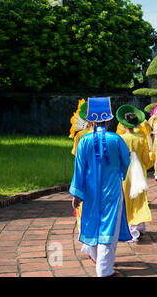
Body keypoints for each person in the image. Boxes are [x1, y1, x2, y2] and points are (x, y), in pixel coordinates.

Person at [69, 97, 132, 277]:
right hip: (112, 188)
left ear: (90, 120)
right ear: (109, 119)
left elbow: (79, 169)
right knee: (109, 225)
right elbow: (125, 161)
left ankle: (93, 253)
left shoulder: (84, 141)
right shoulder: (116, 139)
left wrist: (76, 193)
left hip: (90, 189)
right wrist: (119, 172)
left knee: (92, 219)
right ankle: (104, 268)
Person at [116, 105, 155, 241]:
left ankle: (127, 227)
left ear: (123, 123)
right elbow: (146, 159)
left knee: (125, 197)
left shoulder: (120, 138)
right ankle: (138, 225)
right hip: (139, 170)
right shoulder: (141, 138)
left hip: (125, 171)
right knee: (139, 197)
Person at [68, 99, 94, 233]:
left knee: (82, 202)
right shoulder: (105, 134)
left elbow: (77, 157)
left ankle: (83, 229)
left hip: (84, 172)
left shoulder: (80, 135)